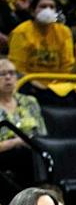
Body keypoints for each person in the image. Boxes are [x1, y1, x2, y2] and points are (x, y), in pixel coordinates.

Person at [7, 0, 75, 91]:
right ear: (32, 12)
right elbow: (18, 67)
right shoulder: (20, 32)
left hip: (57, 86)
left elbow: (67, 65)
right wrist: (37, 85)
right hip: (29, 84)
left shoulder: (64, 32)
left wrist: (56, 85)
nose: (48, 10)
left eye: (52, 7)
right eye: (43, 6)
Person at [0, 58, 45, 189]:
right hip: (4, 154)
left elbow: (43, 135)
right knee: (24, 157)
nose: (8, 77)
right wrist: (16, 142)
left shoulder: (30, 102)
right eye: (2, 74)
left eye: (12, 73)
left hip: (32, 151)